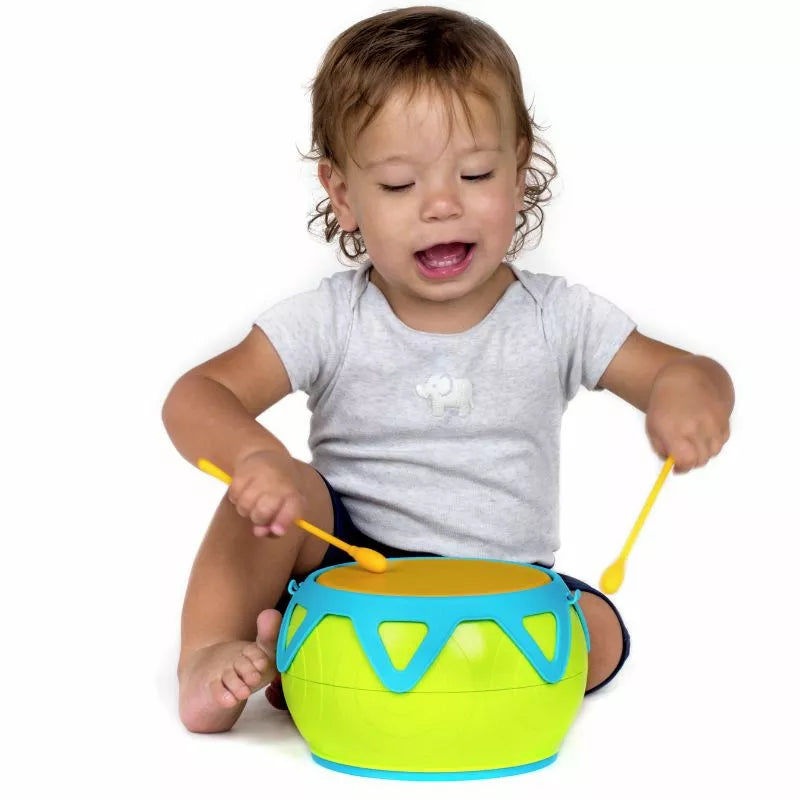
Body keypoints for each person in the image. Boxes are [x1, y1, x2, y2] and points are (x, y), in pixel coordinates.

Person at [162, 6, 734, 734]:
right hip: (346, 573)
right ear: (343, 195)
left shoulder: (558, 316)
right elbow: (196, 394)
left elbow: (681, 369)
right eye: (399, 185)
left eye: (475, 173)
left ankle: (335, 670)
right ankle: (211, 653)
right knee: (286, 496)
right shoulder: (331, 320)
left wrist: (688, 392)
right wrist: (253, 457)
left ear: (521, 172)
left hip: (500, 591)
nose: (440, 204)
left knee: (600, 633)